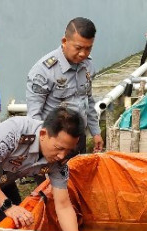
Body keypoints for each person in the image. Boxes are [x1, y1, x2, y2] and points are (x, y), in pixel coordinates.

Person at [26, 17, 103, 154]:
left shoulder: (87, 66)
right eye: (78, 48)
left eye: (88, 48)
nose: (83, 54)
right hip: (54, 143)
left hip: (79, 138)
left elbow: (88, 101)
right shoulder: (44, 71)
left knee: (79, 174)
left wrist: (96, 132)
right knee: (52, 176)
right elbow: (34, 116)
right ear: (64, 41)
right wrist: (41, 150)